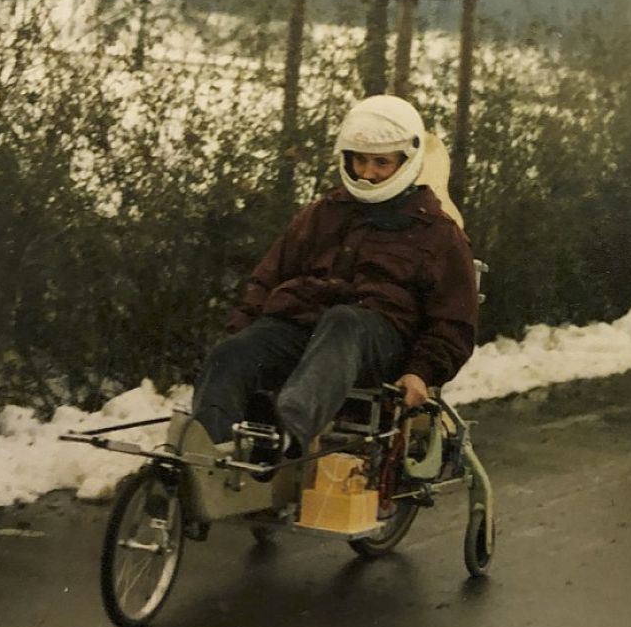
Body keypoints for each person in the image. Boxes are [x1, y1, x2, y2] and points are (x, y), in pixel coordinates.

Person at [190, 95, 478, 456]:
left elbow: (454, 323)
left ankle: (288, 435)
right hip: (307, 328)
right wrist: (243, 334)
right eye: (360, 159)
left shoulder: (437, 232)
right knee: (234, 352)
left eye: (381, 163)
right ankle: (203, 456)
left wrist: (422, 371)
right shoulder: (324, 213)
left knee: (344, 321)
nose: (367, 173)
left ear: (407, 161)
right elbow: (268, 278)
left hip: (379, 342)